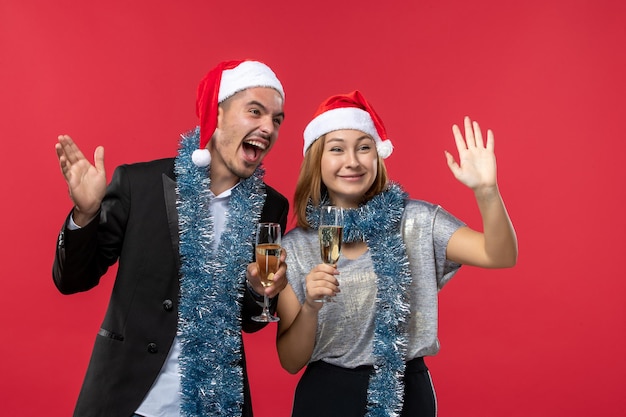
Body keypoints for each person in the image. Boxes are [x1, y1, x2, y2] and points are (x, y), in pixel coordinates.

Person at [53, 60, 289, 417]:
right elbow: (72, 280)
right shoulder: (140, 184)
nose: (267, 128)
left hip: (218, 406)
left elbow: (249, 322)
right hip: (129, 401)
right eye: (255, 111)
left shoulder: (271, 207)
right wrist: (85, 215)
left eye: (276, 120)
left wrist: (260, 291)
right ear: (218, 114)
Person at [276, 90, 518, 417]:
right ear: (316, 160)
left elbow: (500, 254)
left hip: (407, 395)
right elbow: (291, 362)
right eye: (337, 149)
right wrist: (310, 306)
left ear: (377, 157)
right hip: (325, 398)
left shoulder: (417, 221)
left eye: (364, 147)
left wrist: (487, 191)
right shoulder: (295, 247)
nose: (353, 161)